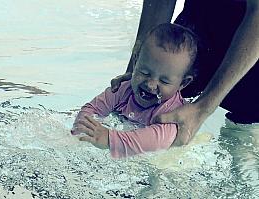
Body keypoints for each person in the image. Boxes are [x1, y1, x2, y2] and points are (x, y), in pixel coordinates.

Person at [111, 0, 259, 146]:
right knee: (159, 111)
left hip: (251, 42)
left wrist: (201, 109)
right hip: (199, 20)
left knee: (242, 134)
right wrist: (138, 69)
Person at [71, 23, 198, 158]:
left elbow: (155, 142)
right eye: (145, 72)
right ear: (136, 61)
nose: (151, 84)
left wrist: (109, 139)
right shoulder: (123, 90)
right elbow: (92, 109)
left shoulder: (174, 114)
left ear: (183, 83)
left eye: (164, 81)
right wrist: (83, 130)